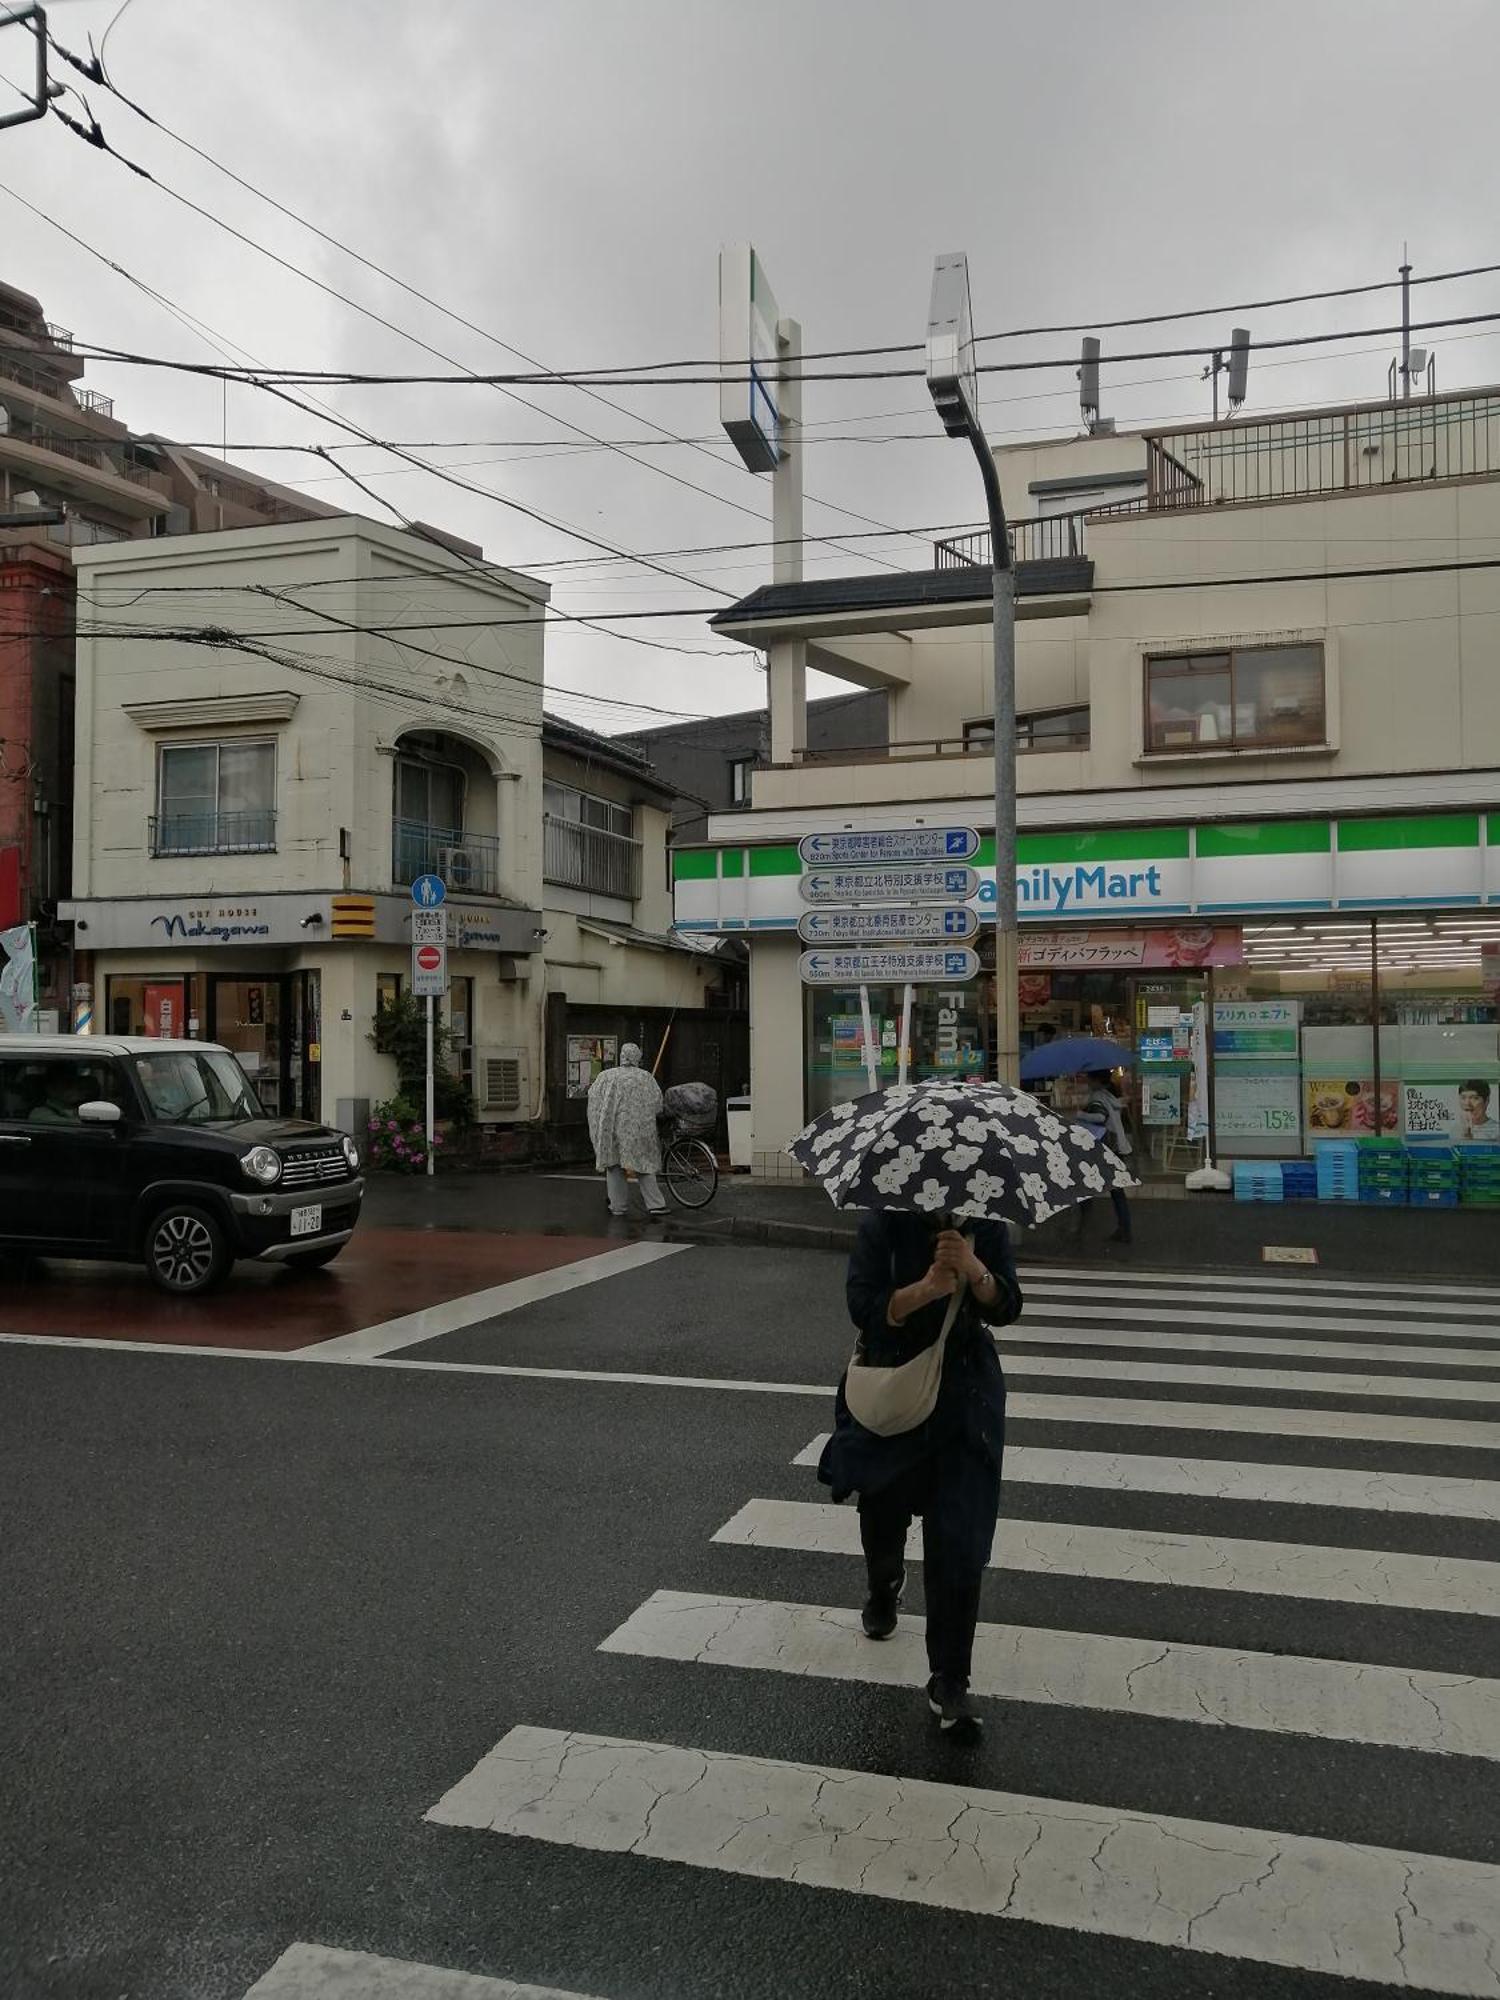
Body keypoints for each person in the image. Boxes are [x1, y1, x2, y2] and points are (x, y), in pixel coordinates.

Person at [819, 1209, 1021, 1739]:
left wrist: (976, 1271)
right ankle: (884, 1582)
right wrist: (925, 1290)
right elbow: (862, 1306)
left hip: (966, 1399)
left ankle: (950, 1678)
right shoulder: (884, 1224)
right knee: (882, 1511)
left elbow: (1008, 1306)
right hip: (896, 1387)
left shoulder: (986, 1223)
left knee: (959, 1537)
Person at [586, 1043, 667, 1217]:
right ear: (637, 1057)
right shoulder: (646, 1077)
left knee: (614, 1165)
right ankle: (656, 1204)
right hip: (640, 1130)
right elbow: (658, 1103)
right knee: (644, 1165)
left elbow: (593, 1098)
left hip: (613, 1129)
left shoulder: (607, 1076)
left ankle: (617, 1206)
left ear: (622, 1055)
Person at [1074, 1067, 1133, 1245]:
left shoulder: (1098, 1096)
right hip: (1116, 1147)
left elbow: (1100, 1117)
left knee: (1084, 1185)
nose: (1087, 1081)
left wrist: (1080, 1114)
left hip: (1104, 1149)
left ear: (1096, 1080)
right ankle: (1124, 1228)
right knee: (1117, 1191)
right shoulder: (1110, 1095)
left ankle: (1084, 1227)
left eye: (1089, 1078)